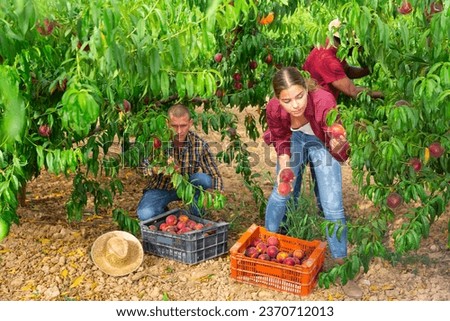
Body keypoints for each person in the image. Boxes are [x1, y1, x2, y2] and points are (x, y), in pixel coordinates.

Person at [263, 66, 362, 298]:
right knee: (282, 192)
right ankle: (268, 246)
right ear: (278, 99)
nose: (295, 105)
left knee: (332, 205)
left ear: (306, 88)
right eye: (287, 100)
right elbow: (280, 138)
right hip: (293, 139)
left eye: (299, 96)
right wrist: (285, 167)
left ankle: (342, 267)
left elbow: (334, 133)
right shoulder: (274, 109)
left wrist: (340, 143)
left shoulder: (323, 100)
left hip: (320, 140)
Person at [137, 104, 224, 221]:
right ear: (168, 123)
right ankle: (165, 215)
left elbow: (214, 174)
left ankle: (196, 213)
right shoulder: (158, 142)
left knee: (204, 179)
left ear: (190, 123)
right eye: (174, 126)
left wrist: (217, 193)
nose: (179, 131)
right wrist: (156, 169)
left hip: (187, 186)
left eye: (183, 126)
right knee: (145, 214)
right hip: (161, 189)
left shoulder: (199, 144)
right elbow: (142, 168)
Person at [302, 18, 384, 101]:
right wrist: (382, 94)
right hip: (320, 106)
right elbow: (352, 91)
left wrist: (370, 69)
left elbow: (347, 71)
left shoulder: (329, 45)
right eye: (356, 45)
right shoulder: (328, 60)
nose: (359, 49)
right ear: (347, 43)